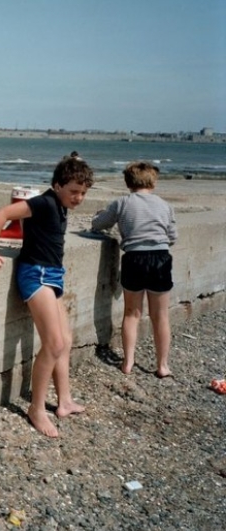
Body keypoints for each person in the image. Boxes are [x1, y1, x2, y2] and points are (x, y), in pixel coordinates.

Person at [0, 152, 94, 437]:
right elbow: (2, 214)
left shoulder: (61, 204)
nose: (78, 197)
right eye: (73, 192)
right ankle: (37, 408)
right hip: (36, 274)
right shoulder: (44, 202)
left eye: (82, 193)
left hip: (53, 275)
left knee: (65, 340)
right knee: (54, 343)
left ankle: (65, 401)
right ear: (57, 186)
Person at [90, 161, 177, 378]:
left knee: (132, 313)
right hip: (159, 258)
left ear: (128, 182)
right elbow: (173, 236)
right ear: (153, 182)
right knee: (160, 315)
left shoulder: (122, 203)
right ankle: (162, 365)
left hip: (134, 258)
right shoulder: (165, 205)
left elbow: (100, 224)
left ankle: (128, 362)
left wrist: (98, 217)